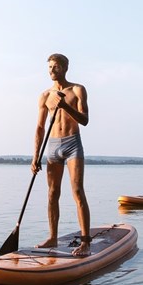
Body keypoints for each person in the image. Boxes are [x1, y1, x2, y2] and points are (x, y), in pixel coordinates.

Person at [33, 53, 91, 257]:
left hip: (72, 142)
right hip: (52, 146)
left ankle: (85, 242)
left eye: (56, 67)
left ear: (65, 68)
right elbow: (40, 127)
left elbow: (85, 120)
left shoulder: (77, 89)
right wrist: (35, 157)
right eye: (49, 67)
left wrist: (65, 106)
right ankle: (53, 237)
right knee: (52, 193)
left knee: (77, 190)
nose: (52, 71)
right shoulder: (45, 95)